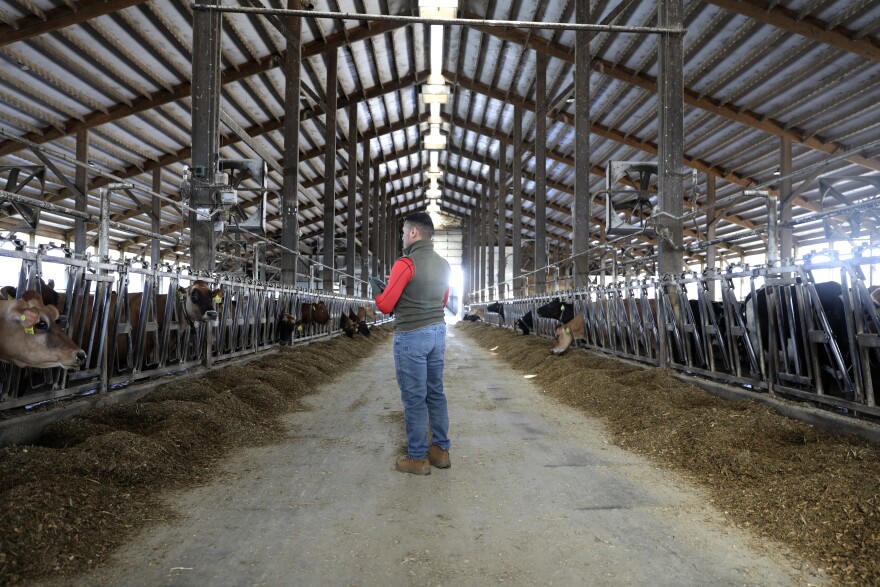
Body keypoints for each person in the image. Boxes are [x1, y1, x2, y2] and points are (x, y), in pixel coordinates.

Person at [375, 212, 451, 475]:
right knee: (436, 393)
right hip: (438, 332)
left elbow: (385, 306)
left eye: (404, 232)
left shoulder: (405, 263)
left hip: (412, 335)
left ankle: (418, 458)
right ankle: (440, 451)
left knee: (415, 398)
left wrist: (380, 291)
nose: (402, 237)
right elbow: (442, 302)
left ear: (414, 233)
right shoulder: (445, 265)